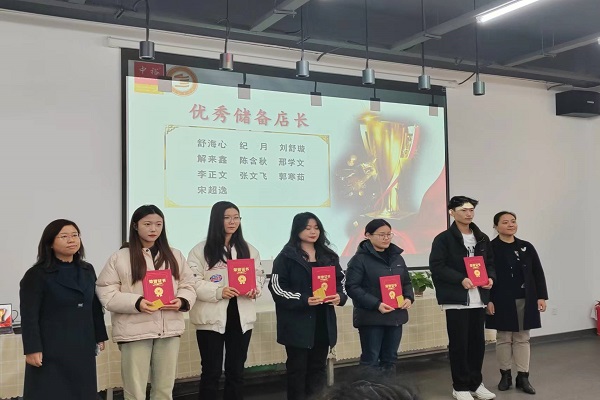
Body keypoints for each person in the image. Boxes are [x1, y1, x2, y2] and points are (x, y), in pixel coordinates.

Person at [96, 205, 196, 400]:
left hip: (168, 330)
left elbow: (189, 284)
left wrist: (182, 300)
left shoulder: (174, 255)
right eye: (147, 224)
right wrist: (137, 302)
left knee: (164, 390)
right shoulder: (120, 257)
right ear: (135, 226)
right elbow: (105, 291)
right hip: (135, 331)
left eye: (158, 224)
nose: (153, 229)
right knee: (135, 392)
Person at [20, 219, 108, 400]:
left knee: (83, 392)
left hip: (82, 345)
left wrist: (100, 335)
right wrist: (32, 348)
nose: (71, 240)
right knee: (51, 392)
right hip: (51, 348)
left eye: (75, 235)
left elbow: (94, 305)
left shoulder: (87, 269)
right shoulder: (37, 274)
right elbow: (29, 316)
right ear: (50, 243)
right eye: (64, 236)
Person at [187, 201, 264, 400]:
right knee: (211, 371)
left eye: (236, 217)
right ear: (216, 220)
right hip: (211, 318)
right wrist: (219, 292)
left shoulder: (249, 249)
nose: (232, 222)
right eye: (227, 217)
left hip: (241, 317)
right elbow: (192, 282)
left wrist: (255, 289)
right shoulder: (200, 250)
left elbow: (259, 276)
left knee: (236, 371)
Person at [268, 212, 348, 400]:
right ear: (297, 230)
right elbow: (277, 287)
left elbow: (341, 281)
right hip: (297, 323)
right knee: (297, 370)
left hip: (322, 321)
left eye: (316, 228)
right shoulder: (286, 257)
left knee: (318, 369)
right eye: (307, 228)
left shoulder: (329, 256)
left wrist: (339, 296)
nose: (313, 232)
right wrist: (303, 299)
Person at [429, 196, 497, 400]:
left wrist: (490, 278)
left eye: (471, 210)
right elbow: (437, 267)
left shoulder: (482, 238)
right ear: (452, 212)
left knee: (477, 344)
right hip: (457, 300)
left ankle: (475, 384)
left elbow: (490, 263)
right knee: (459, 345)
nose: (468, 214)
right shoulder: (443, 239)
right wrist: (460, 279)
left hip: (478, 299)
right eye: (464, 210)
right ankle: (460, 386)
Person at [486, 211, 548, 395]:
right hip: (500, 299)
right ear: (496, 226)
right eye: (505, 222)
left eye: (513, 221)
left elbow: (537, 272)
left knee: (522, 338)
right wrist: (487, 300)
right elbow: (485, 276)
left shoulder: (526, 247)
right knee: (504, 338)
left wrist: (541, 296)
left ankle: (523, 377)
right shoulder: (490, 248)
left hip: (525, 298)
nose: (510, 225)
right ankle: (505, 375)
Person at [345, 219, 414, 375]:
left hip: (395, 316)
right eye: (381, 234)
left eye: (389, 234)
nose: (386, 238)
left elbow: (406, 282)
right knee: (371, 359)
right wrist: (376, 304)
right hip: (371, 318)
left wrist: (408, 297)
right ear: (368, 235)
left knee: (390, 359)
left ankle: (388, 388)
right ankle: (369, 389)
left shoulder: (397, 257)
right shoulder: (359, 260)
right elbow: (352, 287)